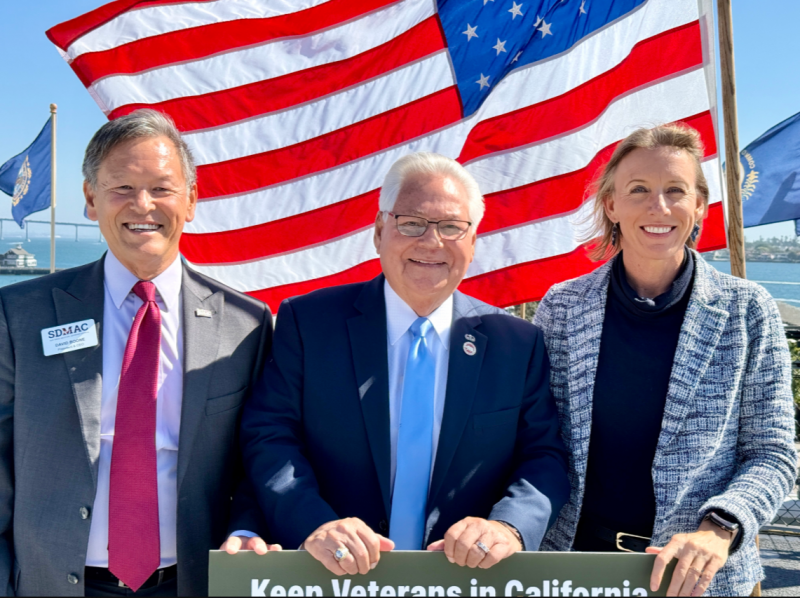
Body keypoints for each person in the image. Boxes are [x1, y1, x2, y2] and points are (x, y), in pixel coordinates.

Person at [241, 152, 570, 576]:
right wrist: (314, 524)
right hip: (330, 576)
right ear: (380, 231)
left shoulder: (516, 342)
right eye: (412, 223)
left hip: (461, 579)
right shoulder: (308, 323)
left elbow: (543, 456)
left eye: (452, 227)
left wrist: (509, 527)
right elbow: (270, 435)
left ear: (472, 244)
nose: (432, 242)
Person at [0, 109, 279, 597]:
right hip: (52, 583)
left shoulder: (246, 326)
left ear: (191, 200)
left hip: (193, 582)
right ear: (90, 199)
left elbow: (259, 458)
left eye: (162, 188)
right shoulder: (20, 314)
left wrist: (249, 528)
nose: (143, 205)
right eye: (122, 188)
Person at [535, 124, 797, 596]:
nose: (658, 207)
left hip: (698, 580)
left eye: (675, 190)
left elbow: (773, 454)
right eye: (638, 190)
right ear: (611, 205)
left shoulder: (747, 309)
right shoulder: (562, 306)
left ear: (699, 206)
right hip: (574, 569)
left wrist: (720, 527)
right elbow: (536, 438)